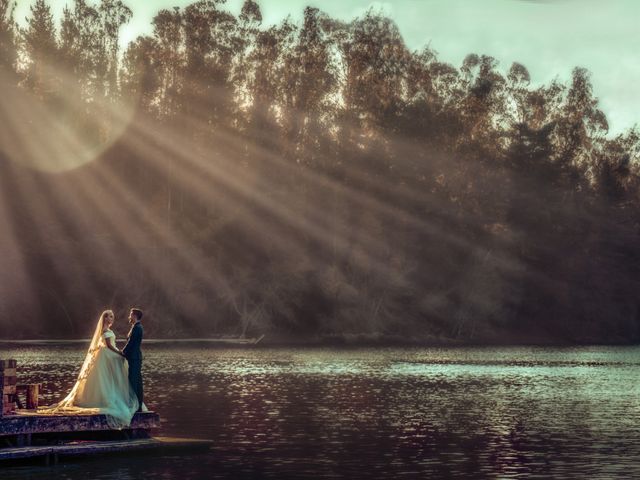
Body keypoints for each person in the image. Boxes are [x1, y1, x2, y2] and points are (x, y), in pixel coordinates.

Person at [39, 310, 139, 429]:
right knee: (107, 376)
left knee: (110, 376)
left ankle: (114, 394)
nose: (112, 319)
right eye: (109, 317)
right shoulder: (105, 330)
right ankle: (106, 398)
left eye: (112, 317)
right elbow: (109, 345)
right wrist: (120, 353)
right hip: (107, 354)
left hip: (107, 354)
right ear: (105, 318)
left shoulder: (108, 329)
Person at [122, 307, 144, 411]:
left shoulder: (137, 327)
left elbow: (131, 343)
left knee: (133, 381)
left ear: (134, 316)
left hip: (134, 358)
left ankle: (134, 406)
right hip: (135, 357)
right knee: (137, 381)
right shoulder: (137, 326)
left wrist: (123, 352)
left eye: (130, 314)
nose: (129, 316)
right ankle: (138, 405)